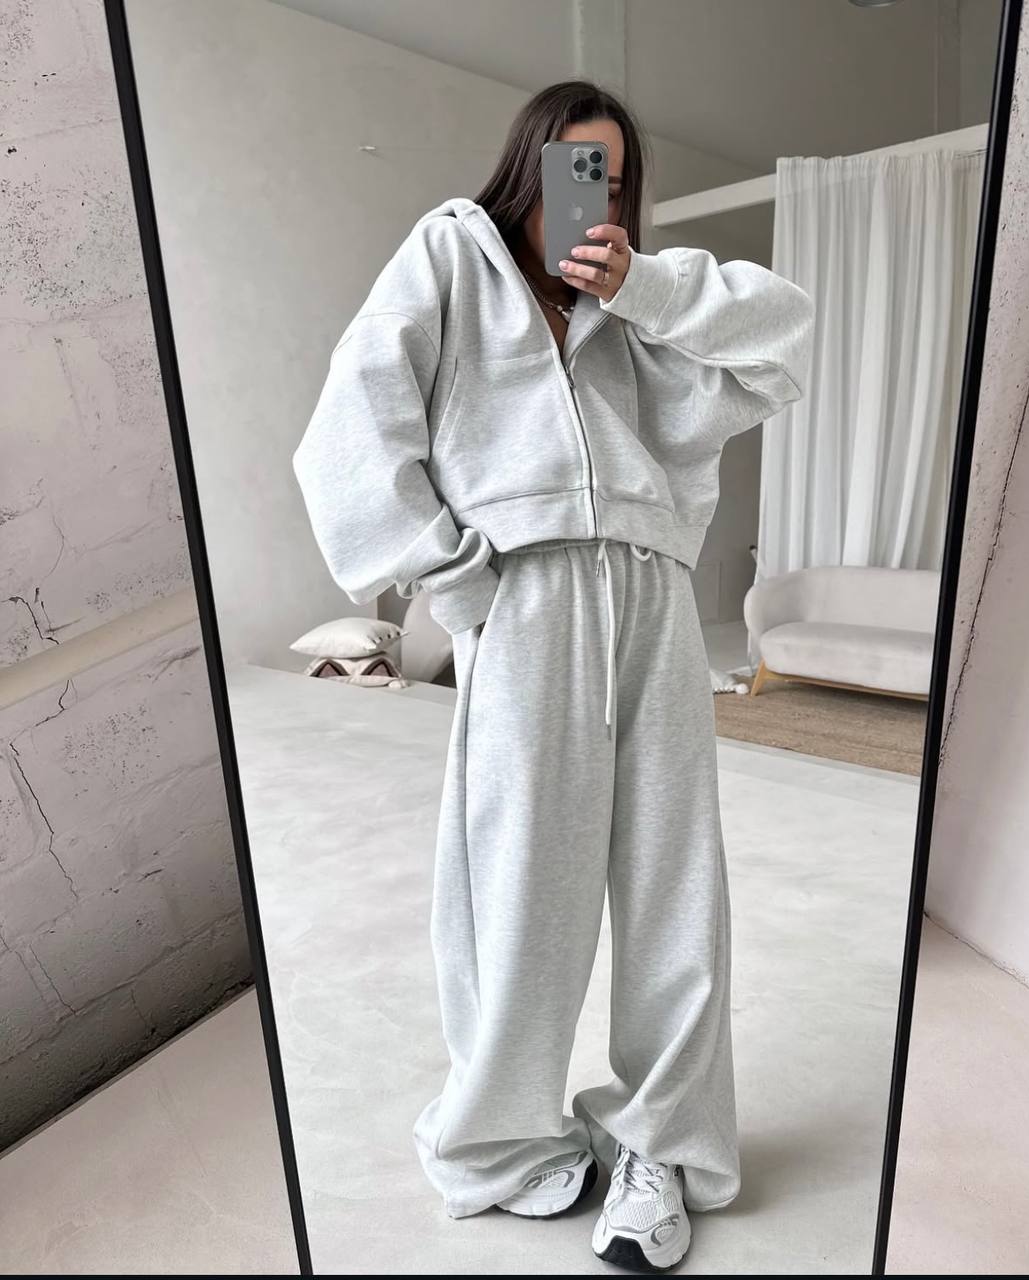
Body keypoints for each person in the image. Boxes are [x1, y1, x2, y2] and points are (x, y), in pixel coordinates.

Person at [293, 79, 814, 1273]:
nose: (595, 197)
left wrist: (643, 285)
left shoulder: (641, 304)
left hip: (651, 592)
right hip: (523, 595)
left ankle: (662, 1146)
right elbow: (349, 431)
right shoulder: (449, 254)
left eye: (615, 179)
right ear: (526, 165)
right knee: (518, 878)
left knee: (674, 879)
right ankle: (505, 1135)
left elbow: (783, 335)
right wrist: (453, 579)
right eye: (575, 170)